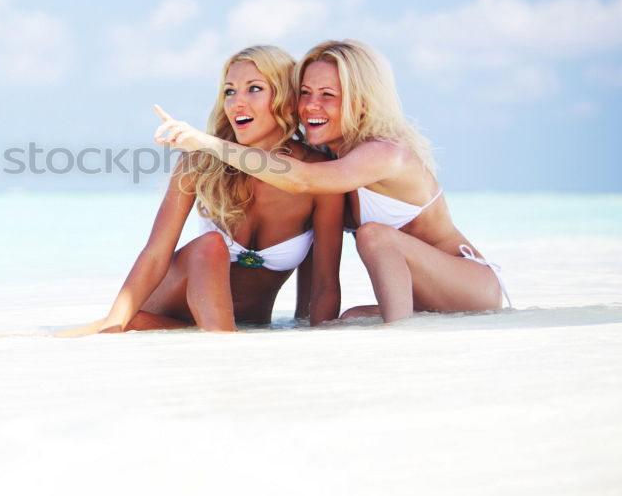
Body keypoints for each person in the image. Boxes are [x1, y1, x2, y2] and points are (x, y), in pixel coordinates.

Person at [153, 39, 511, 323]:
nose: (311, 106)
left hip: (470, 287)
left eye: (328, 96)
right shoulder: (332, 160)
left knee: (375, 237)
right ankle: (402, 328)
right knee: (348, 321)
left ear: (361, 102)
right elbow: (314, 263)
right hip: (424, 297)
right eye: (305, 93)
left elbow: (303, 180)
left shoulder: (385, 152)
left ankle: (400, 340)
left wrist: (207, 143)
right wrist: (305, 326)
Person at [57, 45, 343, 336]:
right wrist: (112, 324)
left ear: (287, 99)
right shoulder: (200, 159)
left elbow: (324, 285)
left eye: (254, 89)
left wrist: (315, 350)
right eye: (230, 92)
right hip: (181, 311)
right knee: (210, 246)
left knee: (119, 329)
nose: (236, 103)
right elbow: (156, 254)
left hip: (233, 327)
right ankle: (221, 346)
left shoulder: (318, 176)